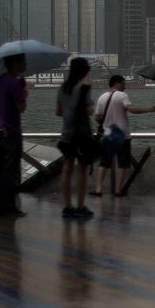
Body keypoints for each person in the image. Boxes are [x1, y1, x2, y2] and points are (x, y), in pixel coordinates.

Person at [90, 74, 155, 197]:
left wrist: (107, 123)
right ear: (116, 83)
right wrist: (150, 109)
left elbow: (97, 117)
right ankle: (118, 190)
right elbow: (132, 109)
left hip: (108, 135)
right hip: (123, 136)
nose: (125, 86)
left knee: (104, 163)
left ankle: (98, 189)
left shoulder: (102, 97)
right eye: (123, 84)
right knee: (123, 163)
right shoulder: (122, 95)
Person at [54, 58, 98, 218]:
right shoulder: (84, 88)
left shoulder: (63, 87)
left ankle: (67, 206)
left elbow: (58, 112)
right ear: (85, 71)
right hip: (81, 135)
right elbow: (90, 111)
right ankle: (80, 206)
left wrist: (69, 112)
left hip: (66, 134)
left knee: (67, 169)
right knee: (82, 170)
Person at [0, 55, 28, 218]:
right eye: (23, 61)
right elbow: (21, 107)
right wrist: (24, 92)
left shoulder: (0, 80)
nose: (25, 63)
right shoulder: (14, 82)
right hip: (10, 132)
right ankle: (9, 207)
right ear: (14, 63)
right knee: (10, 171)